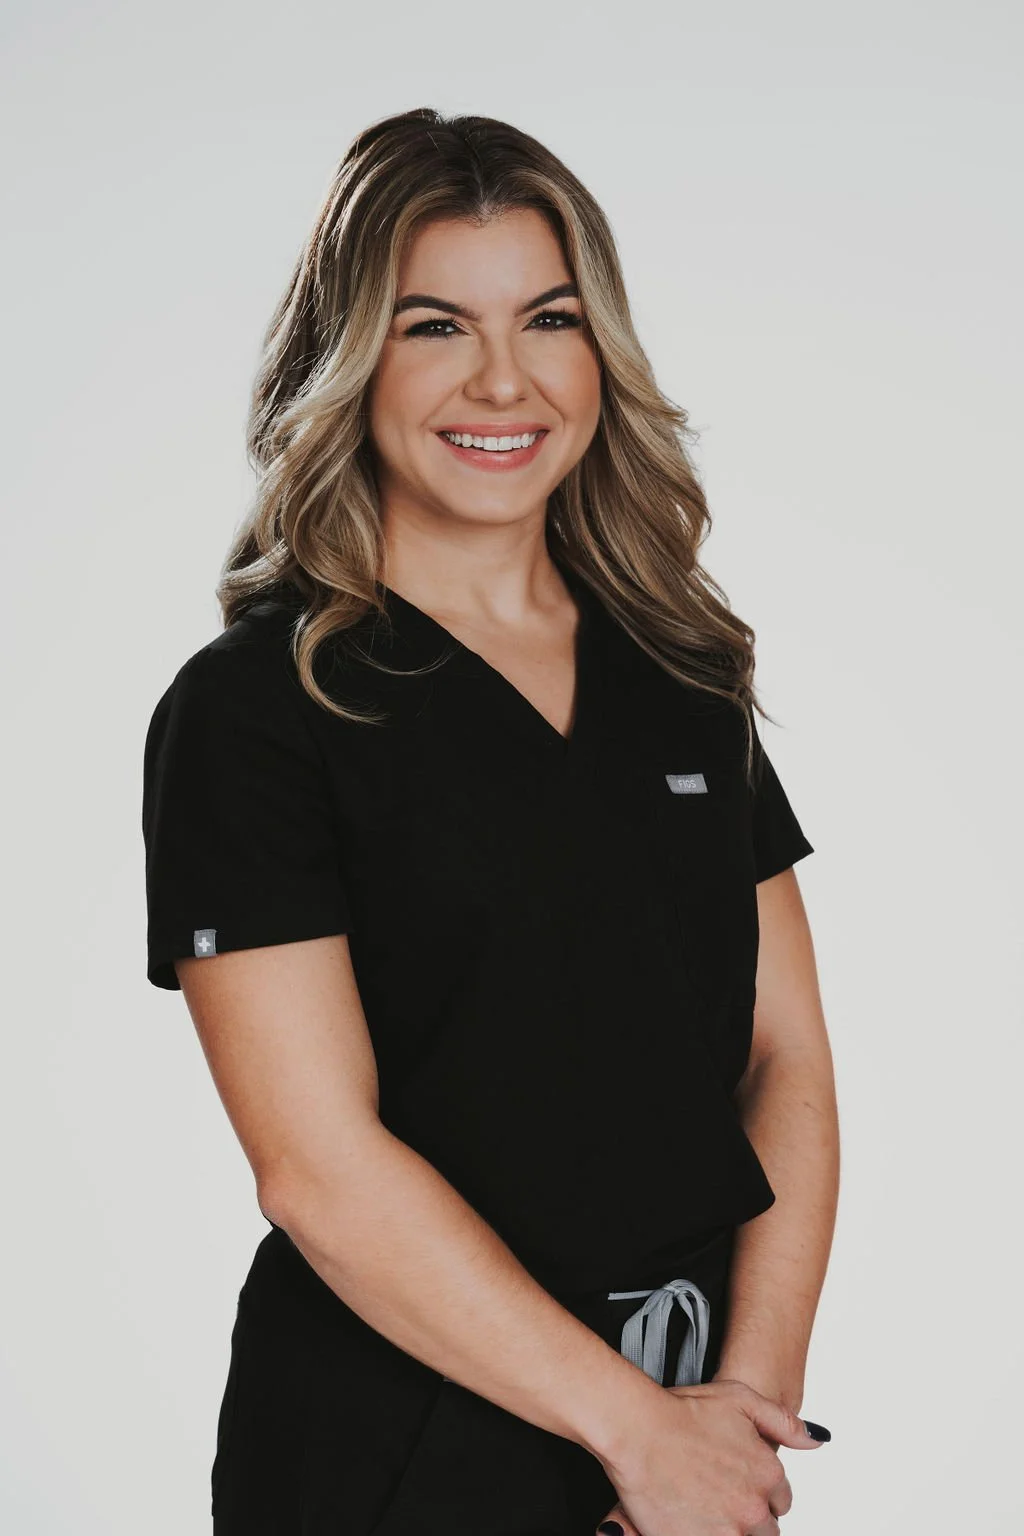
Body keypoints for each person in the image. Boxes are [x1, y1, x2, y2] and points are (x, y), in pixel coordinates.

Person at [141, 107, 837, 1536]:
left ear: (604, 352)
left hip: (683, 1449)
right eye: (434, 326)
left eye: (550, 319)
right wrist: (635, 1431)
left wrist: (734, 1430)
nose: (504, 380)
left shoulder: (680, 674)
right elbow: (317, 1169)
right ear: (350, 364)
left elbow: (787, 1061)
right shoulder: (256, 710)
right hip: (395, 1457)